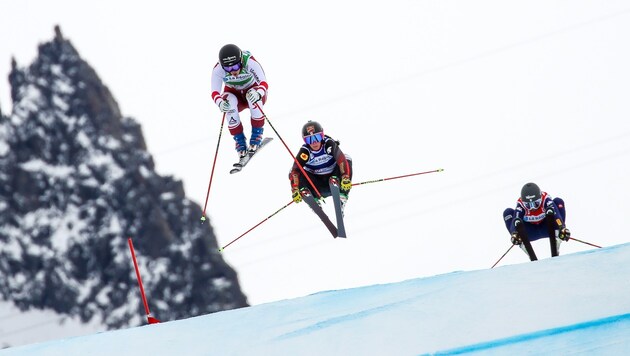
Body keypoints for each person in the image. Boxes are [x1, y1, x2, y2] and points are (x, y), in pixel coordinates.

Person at [211, 44, 269, 158]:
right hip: (235, 94)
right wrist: (220, 103)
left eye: (236, 66)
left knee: (251, 95)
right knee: (228, 102)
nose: (233, 71)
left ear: (241, 60)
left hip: (253, 90)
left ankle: (256, 136)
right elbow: (215, 92)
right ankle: (240, 142)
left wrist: (258, 93)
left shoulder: (250, 62)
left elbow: (263, 82)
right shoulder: (218, 69)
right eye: (228, 68)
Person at [289, 121, 353, 211]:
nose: (314, 142)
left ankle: (342, 196)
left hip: (335, 180)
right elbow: (295, 171)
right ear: (305, 141)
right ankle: (311, 199)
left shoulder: (328, 144)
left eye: (317, 137)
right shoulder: (305, 152)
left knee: (347, 157)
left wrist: (345, 176)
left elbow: (341, 159)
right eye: (309, 139)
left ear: (322, 135)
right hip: (317, 186)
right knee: (293, 170)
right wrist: (295, 188)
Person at [502, 182, 571, 259]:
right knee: (508, 212)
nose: (532, 208)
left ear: (540, 198)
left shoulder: (546, 199)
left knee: (558, 201)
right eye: (528, 205)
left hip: (548, 227)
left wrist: (561, 226)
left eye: (536, 204)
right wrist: (514, 233)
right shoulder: (520, 205)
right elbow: (516, 219)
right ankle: (523, 244)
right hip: (530, 231)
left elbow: (556, 215)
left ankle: (558, 236)